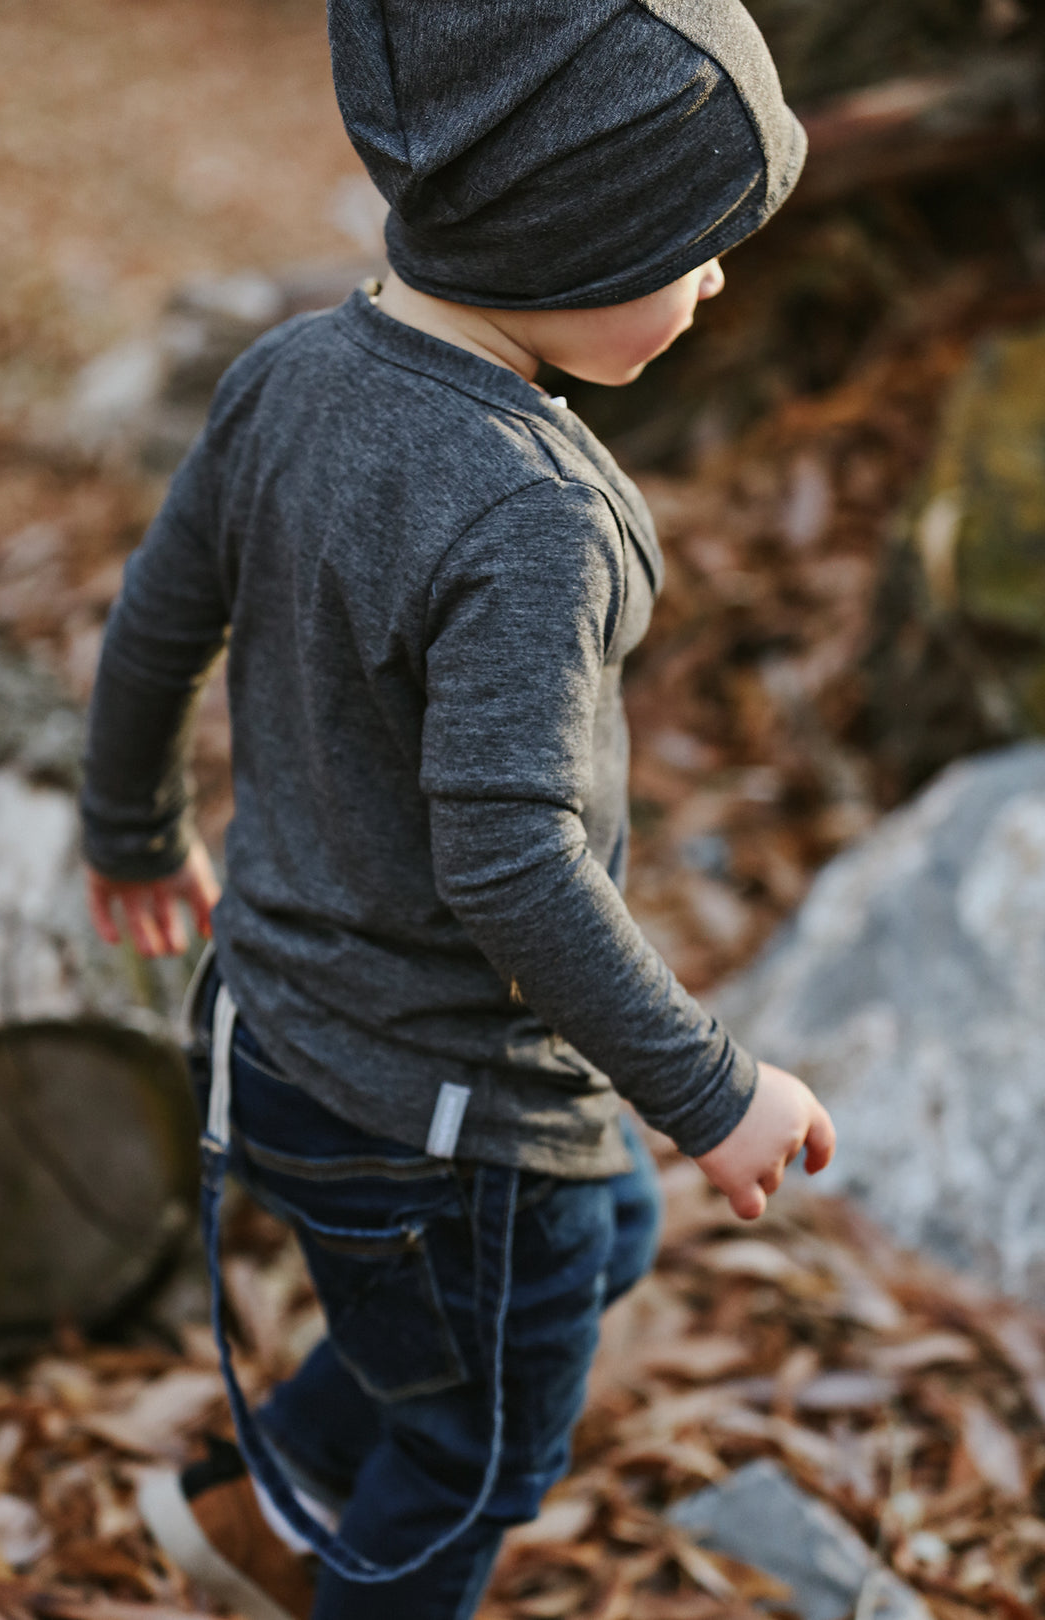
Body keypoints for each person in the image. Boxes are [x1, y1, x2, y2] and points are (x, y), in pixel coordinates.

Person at [80, 4, 835, 1618]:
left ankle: (243, 1515)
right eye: (695, 251)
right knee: (473, 1461)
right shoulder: (532, 512)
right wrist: (711, 1091)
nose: (717, 288)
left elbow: (156, 620)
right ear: (570, 243)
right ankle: (342, 1552)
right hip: (445, 1117)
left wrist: (130, 830)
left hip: (283, 1044)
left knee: (559, 1260)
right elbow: (508, 858)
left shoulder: (286, 373)